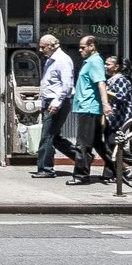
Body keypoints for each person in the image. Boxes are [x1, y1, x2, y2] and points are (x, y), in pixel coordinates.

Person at [31, 34, 76, 177]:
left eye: (43, 47)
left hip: (57, 102)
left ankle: (45, 168)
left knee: (47, 135)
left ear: (52, 46)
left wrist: (57, 102)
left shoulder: (63, 60)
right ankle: (82, 158)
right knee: (54, 137)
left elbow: (67, 85)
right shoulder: (50, 60)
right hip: (49, 101)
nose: (40, 49)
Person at [68, 34, 107, 184]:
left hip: (89, 107)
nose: (80, 50)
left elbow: (101, 83)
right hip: (87, 107)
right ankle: (118, 167)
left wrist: (105, 104)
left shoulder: (95, 61)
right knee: (97, 142)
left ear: (92, 47)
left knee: (83, 144)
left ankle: (81, 175)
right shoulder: (89, 61)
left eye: (83, 47)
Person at [99, 52, 132, 174]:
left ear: (116, 67)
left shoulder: (121, 80)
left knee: (112, 144)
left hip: (119, 118)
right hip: (111, 118)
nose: (105, 66)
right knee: (110, 145)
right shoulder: (111, 80)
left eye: (108, 64)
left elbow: (121, 97)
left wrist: (104, 92)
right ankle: (110, 173)